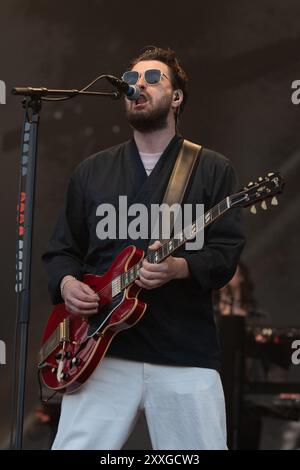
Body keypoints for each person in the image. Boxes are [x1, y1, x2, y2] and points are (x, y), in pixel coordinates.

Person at [42, 46, 245, 450]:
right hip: (99, 352)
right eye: (131, 80)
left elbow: (225, 252)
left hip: (184, 350)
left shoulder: (210, 168)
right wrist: (67, 284)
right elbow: (61, 250)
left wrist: (179, 269)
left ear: (177, 96)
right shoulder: (91, 171)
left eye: (153, 79)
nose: (138, 87)